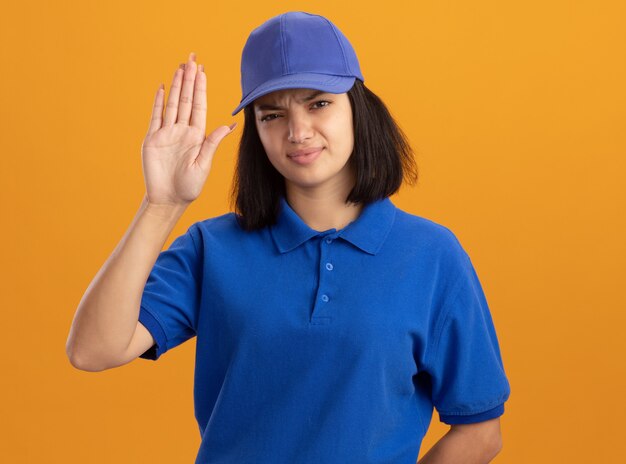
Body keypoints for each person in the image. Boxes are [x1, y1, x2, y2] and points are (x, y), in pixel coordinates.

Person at [66, 11, 511, 464]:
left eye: (318, 103)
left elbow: (480, 431)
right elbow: (92, 350)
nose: (297, 132)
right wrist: (161, 206)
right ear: (256, 132)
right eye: (273, 114)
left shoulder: (432, 256)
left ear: (358, 107)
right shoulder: (212, 248)